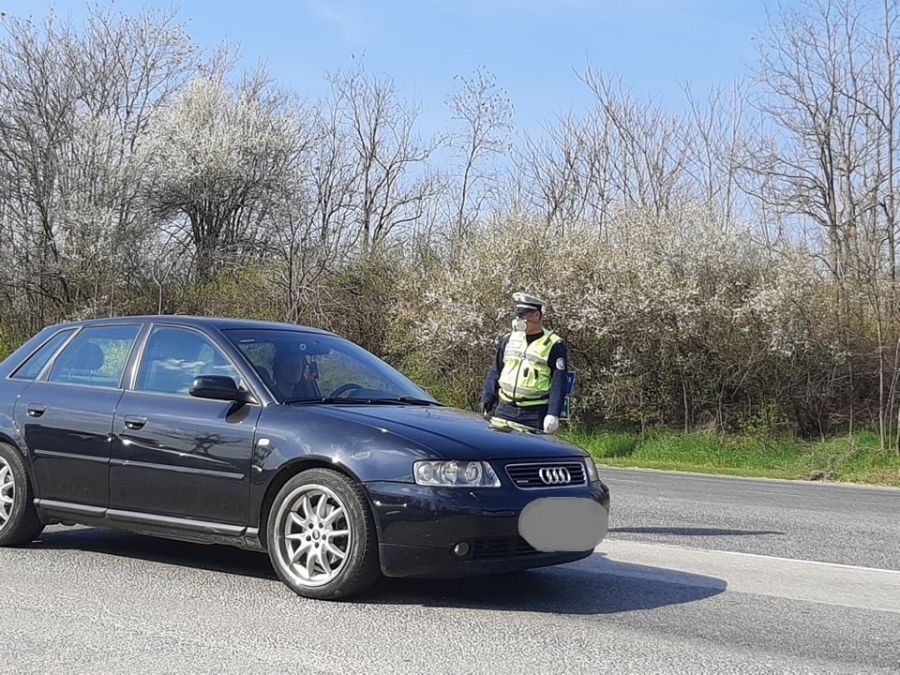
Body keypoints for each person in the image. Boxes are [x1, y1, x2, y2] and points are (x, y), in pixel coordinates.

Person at [479, 291, 568, 434]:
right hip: (504, 409)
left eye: (523, 316)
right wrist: (487, 398)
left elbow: (559, 382)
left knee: (532, 453)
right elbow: (496, 370)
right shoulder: (509, 339)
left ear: (537, 315)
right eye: (517, 316)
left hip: (534, 412)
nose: (518, 320)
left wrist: (553, 413)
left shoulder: (554, 344)